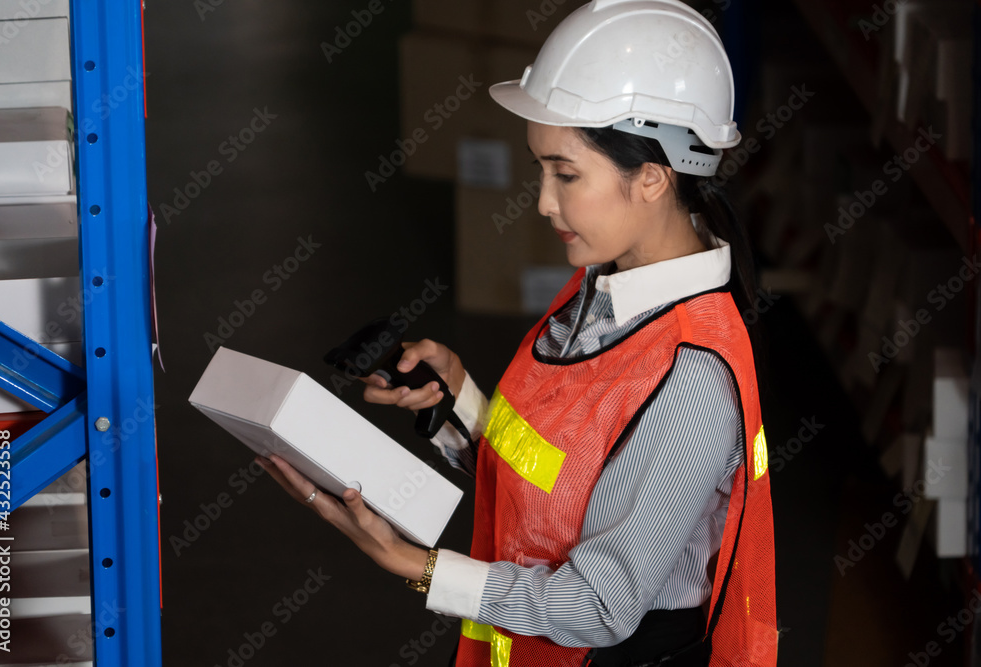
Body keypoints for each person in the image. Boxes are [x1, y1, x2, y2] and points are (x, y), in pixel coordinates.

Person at [256, 1, 778, 665]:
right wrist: (455, 401)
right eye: (541, 169)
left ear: (653, 176)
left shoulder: (692, 378)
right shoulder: (607, 284)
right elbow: (563, 484)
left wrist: (415, 564)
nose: (543, 201)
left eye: (566, 173)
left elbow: (600, 604)